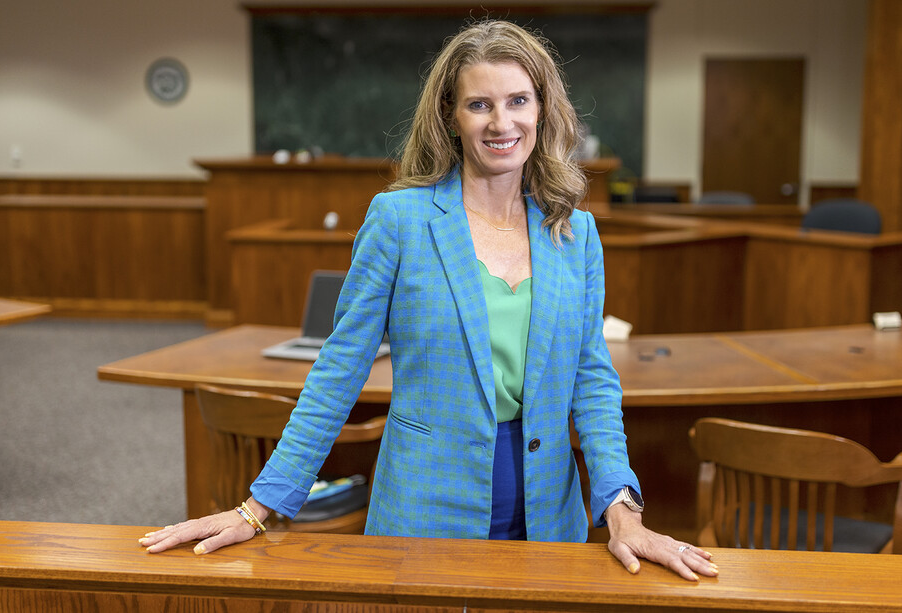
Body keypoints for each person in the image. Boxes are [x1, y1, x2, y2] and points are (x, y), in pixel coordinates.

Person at [140, 19, 717, 581]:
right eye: (479, 104)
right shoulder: (400, 220)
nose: (502, 122)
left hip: (548, 514)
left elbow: (591, 379)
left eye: (518, 100)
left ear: (542, 108)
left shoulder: (575, 232)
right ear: (451, 115)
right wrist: (258, 507)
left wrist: (623, 511)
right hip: (423, 511)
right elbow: (339, 369)